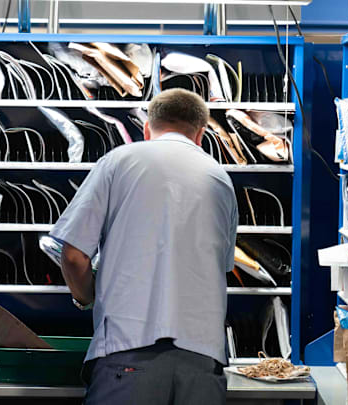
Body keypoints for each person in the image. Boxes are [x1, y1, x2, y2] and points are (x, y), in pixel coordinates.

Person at [49, 88, 238, 405]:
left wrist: (86, 297)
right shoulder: (220, 178)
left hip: (128, 352)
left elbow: (73, 254)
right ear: (201, 133)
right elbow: (223, 267)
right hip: (202, 360)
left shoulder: (119, 162)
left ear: (147, 128)